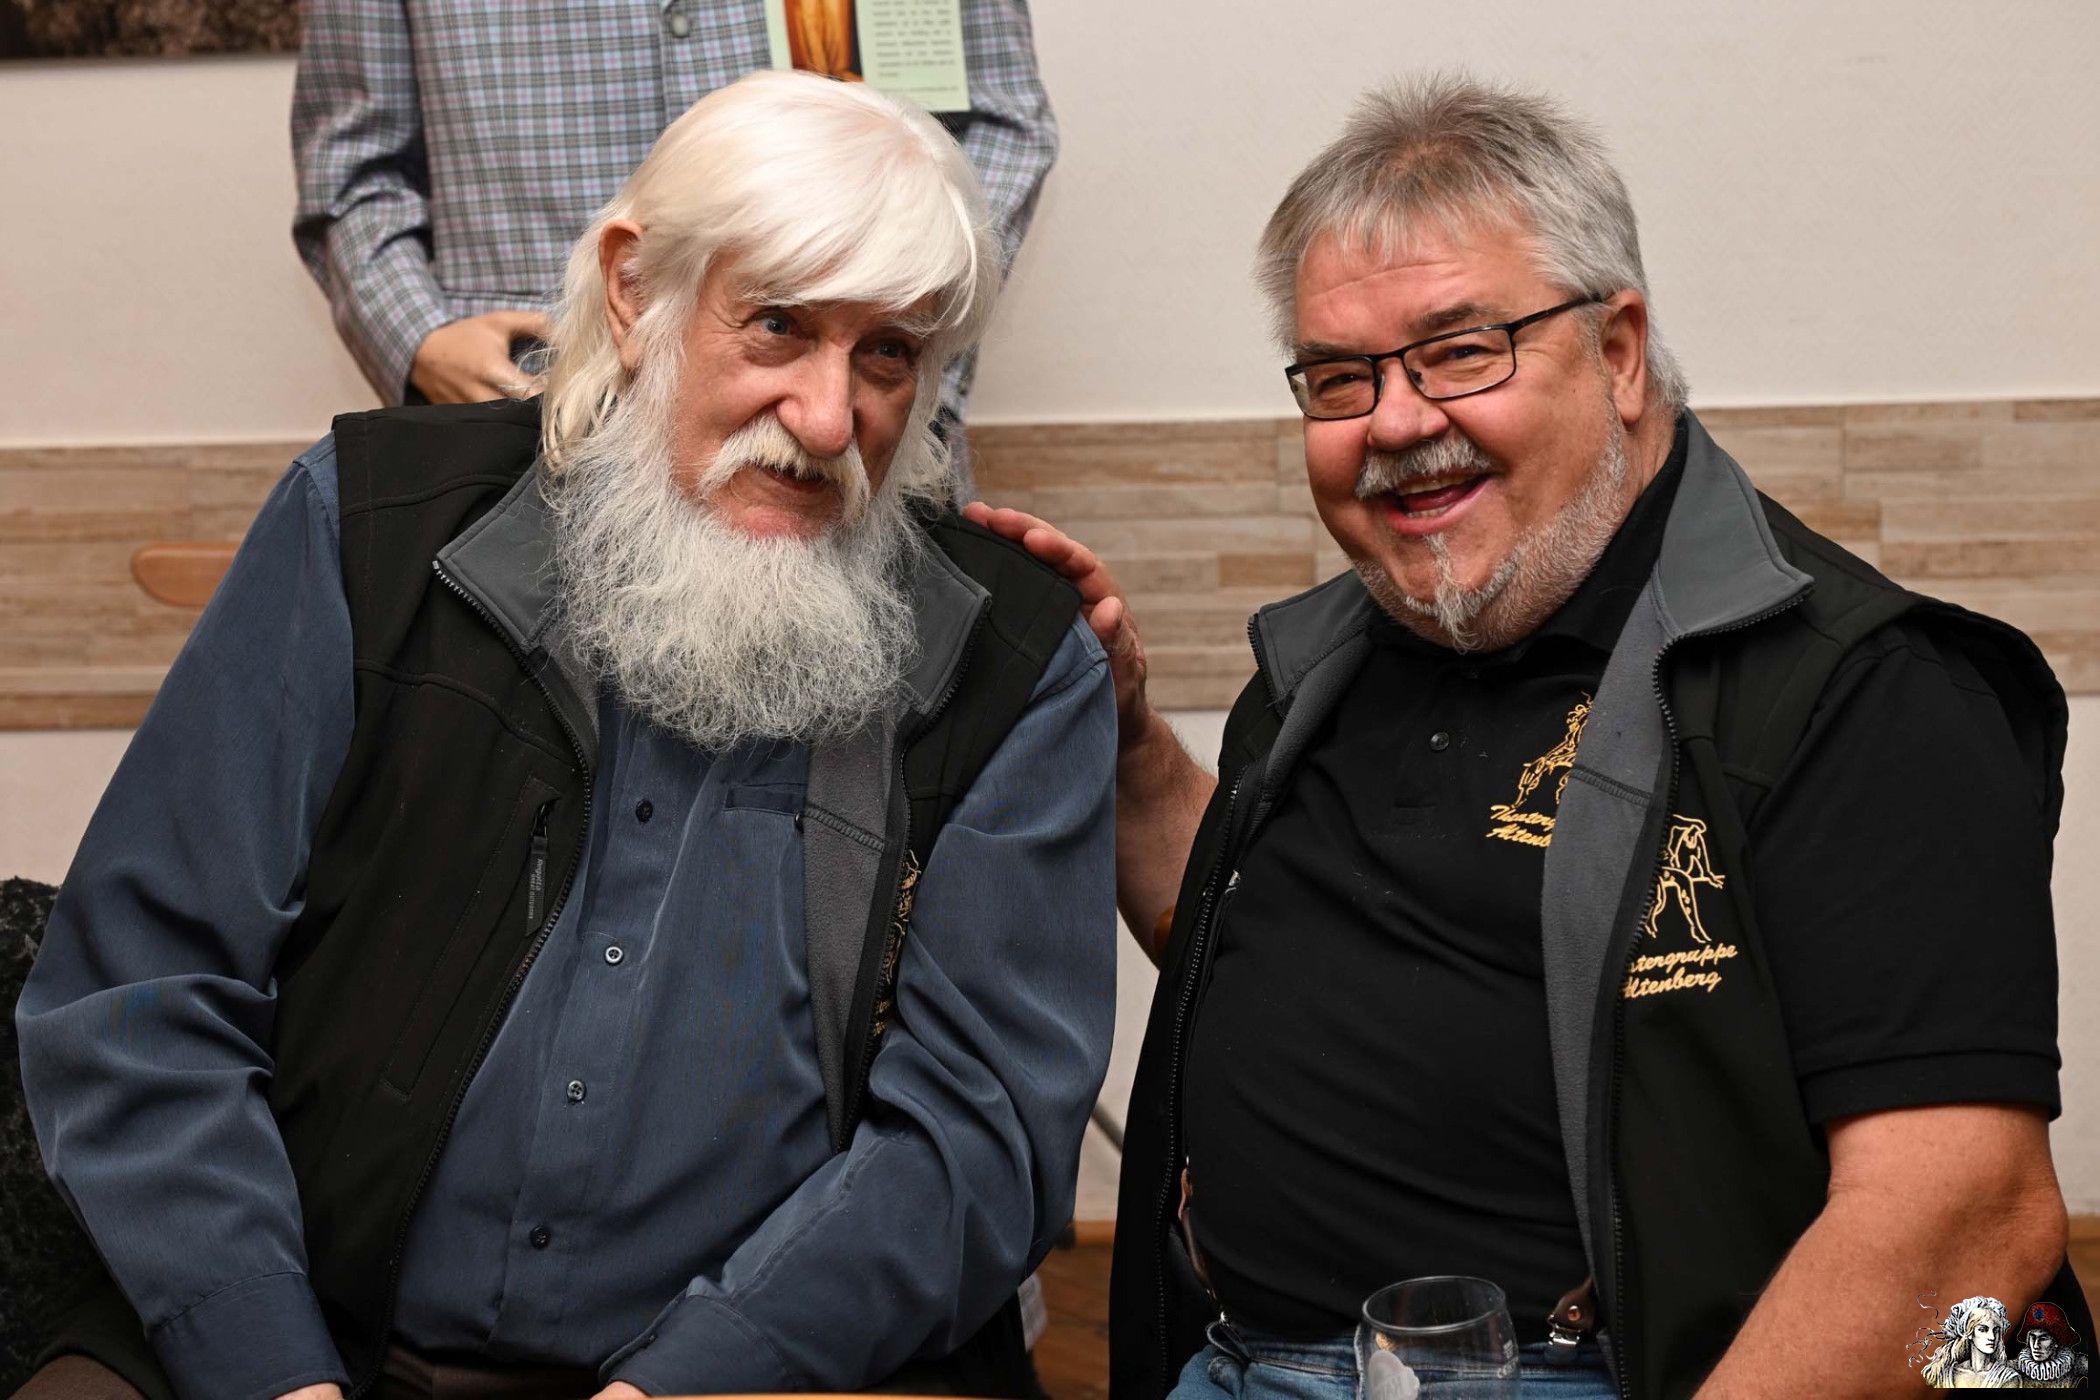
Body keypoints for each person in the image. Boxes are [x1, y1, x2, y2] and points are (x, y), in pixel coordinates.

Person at [967, 74, 2088, 1399]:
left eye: (1461, 351)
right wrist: (1128, 747)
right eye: (1341, 377)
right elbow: (1264, 945)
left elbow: (1969, 1226)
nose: (1396, 422)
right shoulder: (1336, 660)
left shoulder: (1863, 694)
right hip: (1239, 1361)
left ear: (1620, 352)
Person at [17, 71, 1113, 1400]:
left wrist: (688, 1380)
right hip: (303, 1333)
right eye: (778, 324)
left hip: (769, 1378)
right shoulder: (368, 529)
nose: (829, 419)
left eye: (886, 354)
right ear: (636, 292)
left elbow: (976, 1140)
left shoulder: (1014, 661)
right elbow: (140, 995)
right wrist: (269, 1364)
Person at [291, 0, 1056, 460]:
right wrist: (417, 339)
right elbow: (353, 167)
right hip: (523, 427)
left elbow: (1002, 124)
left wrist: (907, 369)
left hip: (852, 456)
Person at [1921, 1298, 2020, 1389]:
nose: (1992, 1337)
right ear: (1969, 1334)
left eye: (1996, 1330)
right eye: (1983, 1330)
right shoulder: (1947, 1374)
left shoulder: (2007, 1377)